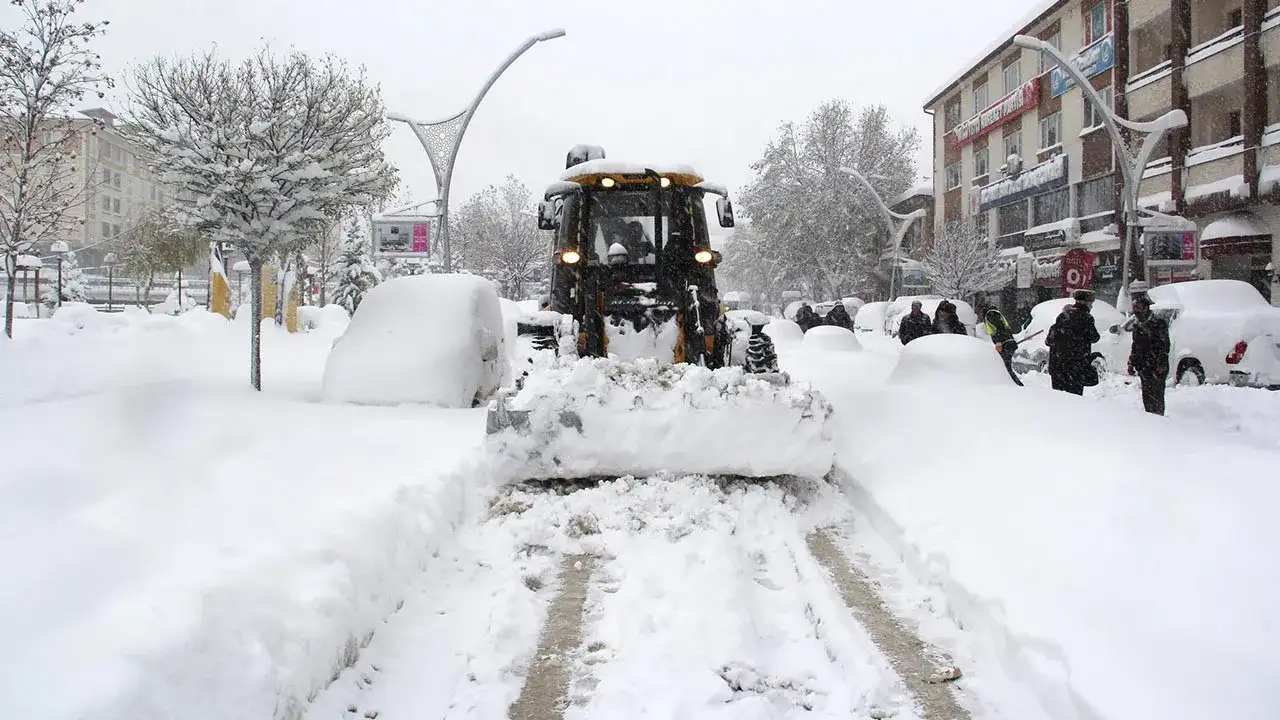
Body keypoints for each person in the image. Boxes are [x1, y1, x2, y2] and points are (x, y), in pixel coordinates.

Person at [1044, 289, 1101, 395]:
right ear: (1085, 302)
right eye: (1091, 303)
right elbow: (1095, 337)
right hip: (1075, 367)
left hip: (1057, 367)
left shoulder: (1062, 316)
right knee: (1074, 400)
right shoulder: (1086, 318)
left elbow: (1049, 340)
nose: (1091, 306)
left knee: (1059, 398)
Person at [1127, 293, 1170, 415]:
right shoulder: (1137, 325)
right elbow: (1135, 345)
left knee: (1157, 395)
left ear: (1146, 308)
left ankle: (1158, 419)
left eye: (1139, 307)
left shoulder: (1158, 323)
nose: (1136, 311)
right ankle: (1149, 418)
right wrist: (1132, 361)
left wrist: (1161, 363)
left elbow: (1164, 345)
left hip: (1156, 366)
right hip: (1143, 366)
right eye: (1135, 308)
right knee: (1147, 395)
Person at [984, 308, 1024, 386]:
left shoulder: (991, 315)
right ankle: (1013, 383)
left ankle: (1016, 384)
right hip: (1008, 343)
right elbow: (1006, 328)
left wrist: (999, 341)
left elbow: (1000, 328)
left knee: (1006, 368)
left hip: (1005, 344)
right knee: (1006, 367)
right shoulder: (997, 315)